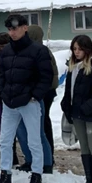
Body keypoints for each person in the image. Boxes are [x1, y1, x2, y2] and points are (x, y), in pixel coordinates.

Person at [0, 13, 53, 183]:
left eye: (15, 28)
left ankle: (36, 175)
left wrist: (35, 95)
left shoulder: (38, 51)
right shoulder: (6, 52)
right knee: (5, 140)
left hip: (29, 102)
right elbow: (0, 74)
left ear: (25, 27)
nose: (12, 32)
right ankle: (5, 175)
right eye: (9, 29)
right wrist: (0, 92)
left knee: (34, 140)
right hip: (9, 102)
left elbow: (46, 77)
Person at [61, 35, 92, 183]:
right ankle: (89, 180)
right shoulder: (73, 68)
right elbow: (69, 91)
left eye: (80, 49)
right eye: (74, 49)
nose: (77, 52)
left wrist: (86, 108)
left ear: (87, 50)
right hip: (77, 115)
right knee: (84, 147)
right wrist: (66, 106)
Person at [28, 24, 59, 162]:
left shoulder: (39, 51)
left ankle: (47, 156)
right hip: (47, 91)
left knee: (42, 123)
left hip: (44, 92)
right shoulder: (41, 50)